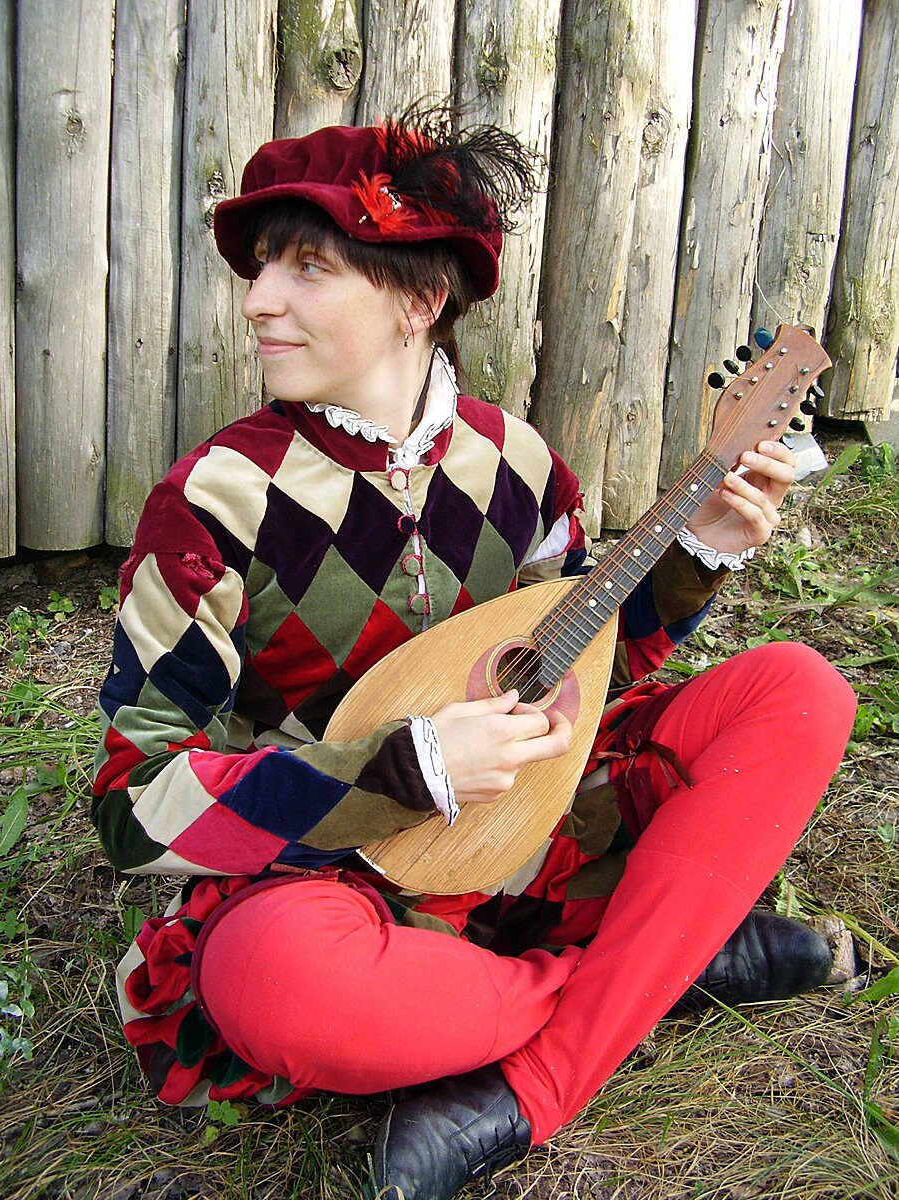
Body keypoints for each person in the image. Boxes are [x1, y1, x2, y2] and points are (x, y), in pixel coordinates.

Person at [92, 107, 857, 1200]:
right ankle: (660, 966)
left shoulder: (519, 464)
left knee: (801, 689)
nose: (261, 299)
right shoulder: (214, 502)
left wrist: (702, 550)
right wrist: (396, 769)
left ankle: (540, 1072)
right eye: (263, 268)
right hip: (345, 880)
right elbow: (131, 805)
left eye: (309, 267)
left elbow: (581, 673)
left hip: (536, 823)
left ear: (421, 299)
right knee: (275, 985)